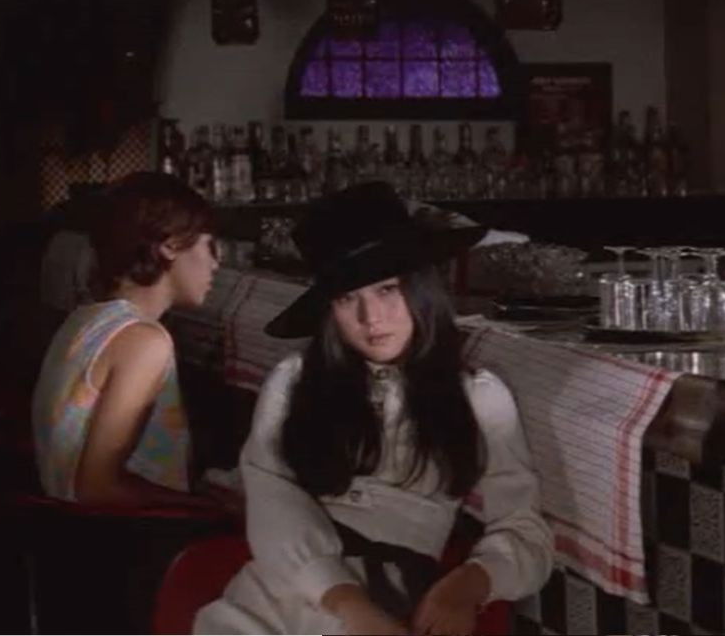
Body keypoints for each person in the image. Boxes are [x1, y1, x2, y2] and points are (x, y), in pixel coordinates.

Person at [195, 181, 554, 635]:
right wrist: (349, 605)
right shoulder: (295, 380)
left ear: (420, 288)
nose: (371, 318)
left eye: (387, 290)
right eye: (349, 299)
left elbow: (524, 527)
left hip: (398, 594)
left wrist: (469, 584)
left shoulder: (477, 395)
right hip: (282, 594)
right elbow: (271, 496)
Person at [31, 171, 224, 510]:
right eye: (209, 246)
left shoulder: (85, 319)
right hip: (120, 534)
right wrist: (206, 506)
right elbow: (97, 489)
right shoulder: (144, 341)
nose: (216, 263)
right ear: (170, 245)